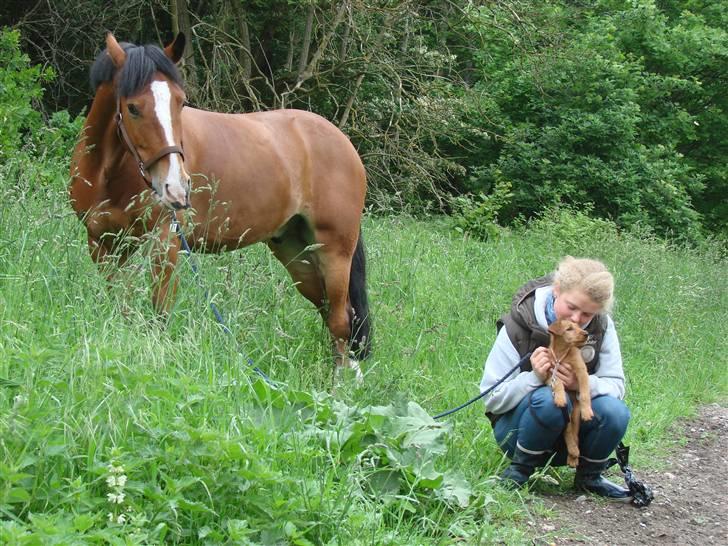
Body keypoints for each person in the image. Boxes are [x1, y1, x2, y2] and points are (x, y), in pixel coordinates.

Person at [480, 257, 631, 501]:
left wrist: (582, 384)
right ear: (556, 290)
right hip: (518, 434)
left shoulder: (602, 327)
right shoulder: (517, 325)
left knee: (616, 411)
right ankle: (519, 472)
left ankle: (590, 477)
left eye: (587, 314)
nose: (576, 319)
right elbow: (492, 400)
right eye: (571, 307)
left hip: (576, 437)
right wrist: (534, 378)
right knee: (549, 399)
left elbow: (616, 386)